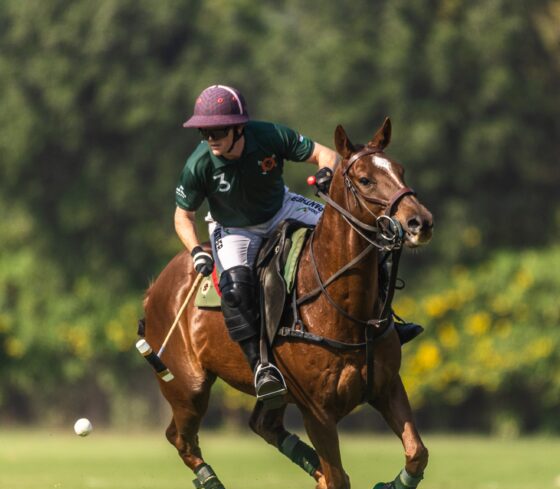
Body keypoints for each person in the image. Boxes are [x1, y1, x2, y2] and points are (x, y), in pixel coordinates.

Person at [174, 84, 421, 403]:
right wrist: (196, 251)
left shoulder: (270, 136)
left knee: (357, 236)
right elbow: (183, 216)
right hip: (233, 228)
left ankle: (387, 323)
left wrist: (325, 173)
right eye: (204, 132)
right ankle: (261, 368)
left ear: (238, 127)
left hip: (282, 208)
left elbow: (324, 154)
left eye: (218, 130)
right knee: (235, 290)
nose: (211, 138)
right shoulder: (198, 164)